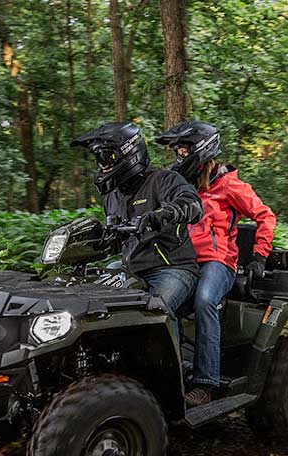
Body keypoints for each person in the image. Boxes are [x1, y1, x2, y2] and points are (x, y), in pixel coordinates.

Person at [157, 120, 276, 408]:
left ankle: (205, 383)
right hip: (184, 262)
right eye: (178, 153)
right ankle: (174, 374)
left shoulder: (229, 185)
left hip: (218, 262)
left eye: (184, 152)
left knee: (205, 300)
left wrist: (260, 254)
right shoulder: (180, 185)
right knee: (159, 306)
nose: (179, 158)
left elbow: (265, 216)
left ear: (201, 151)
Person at [70, 122, 202, 315]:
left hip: (172, 268)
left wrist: (162, 214)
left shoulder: (163, 180)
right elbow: (116, 242)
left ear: (128, 153)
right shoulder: (113, 197)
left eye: (107, 157)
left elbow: (192, 205)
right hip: (130, 268)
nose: (102, 165)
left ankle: (167, 344)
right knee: (91, 300)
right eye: (99, 160)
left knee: (155, 311)